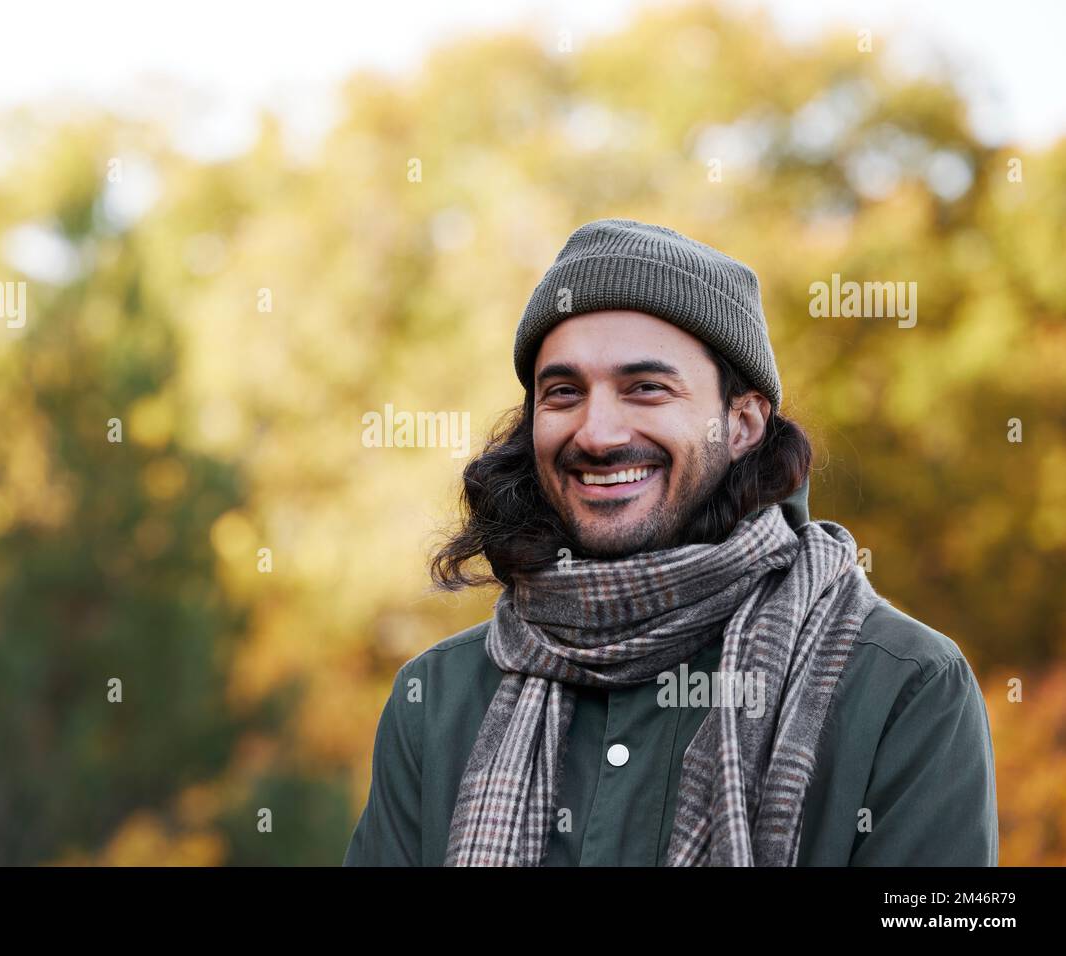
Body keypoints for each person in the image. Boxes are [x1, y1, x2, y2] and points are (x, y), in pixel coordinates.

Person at [342, 218, 998, 866]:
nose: (597, 433)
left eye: (646, 389)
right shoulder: (437, 698)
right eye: (564, 392)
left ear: (741, 424)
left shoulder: (904, 688)